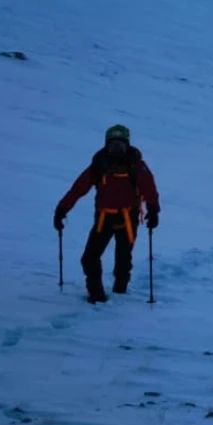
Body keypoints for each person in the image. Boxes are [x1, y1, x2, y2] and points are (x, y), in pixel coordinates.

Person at [54, 124, 160, 304]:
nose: (117, 148)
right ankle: (97, 296)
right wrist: (62, 209)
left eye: (120, 144)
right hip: (104, 218)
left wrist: (153, 210)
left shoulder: (136, 165)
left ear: (127, 145)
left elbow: (149, 188)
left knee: (123, 259)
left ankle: (119, 294)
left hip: (127, 218)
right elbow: (78, 189)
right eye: (113, 144)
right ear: (106, 145)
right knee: (90, 258)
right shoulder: (98, 165)